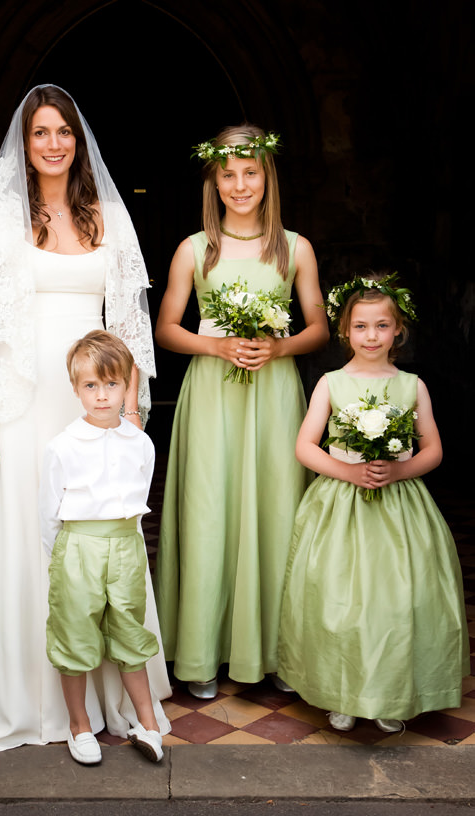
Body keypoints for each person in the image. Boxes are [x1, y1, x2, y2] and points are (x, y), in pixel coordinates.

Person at [0, 84, 170, 751]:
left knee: (103, 539)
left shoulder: (107, 216)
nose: (52, 143)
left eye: (62, 132)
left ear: (77, 141)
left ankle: (114, 696)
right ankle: (33, 700)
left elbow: (127, 318)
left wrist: (127, 407)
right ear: (24, 144)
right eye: (40, 133)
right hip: (20, 396)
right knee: (29, 537)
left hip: (93, 395)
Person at [153, 125, 329, 698]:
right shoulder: (194, 248)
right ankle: (201, 653)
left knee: (276, 510)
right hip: (212, 395)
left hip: (275, 395)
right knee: (209, 512)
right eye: (227, 175)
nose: (239, 184)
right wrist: (217, 344)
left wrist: (278, 347)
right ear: (213, 181)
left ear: (267, 177)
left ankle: (275, 653)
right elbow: (166, 329)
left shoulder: (294, 248)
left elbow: (321, 328)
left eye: (250, 172)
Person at [277, 273, 469, 733]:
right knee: (336, 599)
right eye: (361, 326)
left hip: (399, 506)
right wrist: (350, 472)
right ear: (345, 331)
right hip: (340, 505)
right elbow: (305, 446)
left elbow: (433, 450)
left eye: (382, 326)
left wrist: (397, 470)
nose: (371, 336)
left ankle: (390, 692)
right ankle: (340, 691)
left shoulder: (412, 386)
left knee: (398, 602)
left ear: (397, 330)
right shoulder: (330, 383)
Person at [41, 331, 165, 765]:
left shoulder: (141, 444)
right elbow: (49, 513)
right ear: (76, 388)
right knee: (74, 632)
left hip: (125, 545)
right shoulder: (62, 446)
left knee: (130, 629)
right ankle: (78, 725)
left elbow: (139, 497)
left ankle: (148, 724)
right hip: (78, 546)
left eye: (112, 384)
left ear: (127, 386)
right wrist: (61, 560)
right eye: (91, 385)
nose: (101, 395)